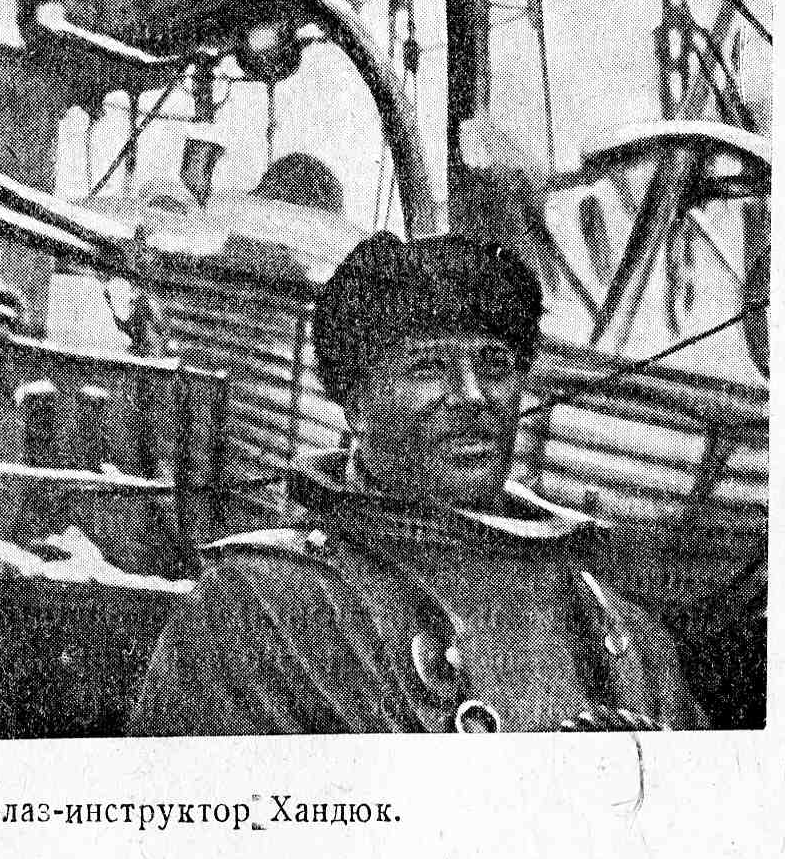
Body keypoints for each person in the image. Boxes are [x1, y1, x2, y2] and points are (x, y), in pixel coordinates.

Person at [130, 232, 706, 734]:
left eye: (496, 367)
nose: (474, 397)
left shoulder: (605, 610)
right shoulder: (260, 603)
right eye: (429, 367)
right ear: (355, 403)